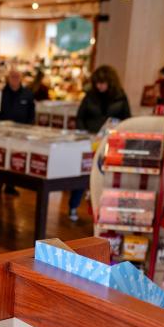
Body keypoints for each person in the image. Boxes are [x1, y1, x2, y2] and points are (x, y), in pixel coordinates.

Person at [70, 65, 131, 221]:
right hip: (90, 141)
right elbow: (80, 117)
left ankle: (105, 211)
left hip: (112, 143)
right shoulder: (90, 96)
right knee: (83, 175)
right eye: (97, 83)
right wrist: (84, 134)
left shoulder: (120, 97)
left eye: (102, 83)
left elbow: (127, 120)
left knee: (107, 178)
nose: (99, 86)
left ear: (110, 82)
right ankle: (73, 207)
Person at [0, 69, 36, 195]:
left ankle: (10, 186)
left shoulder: (27, 94)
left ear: (21, 78)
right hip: (4, 132)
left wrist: (28, 128)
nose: (15, 79)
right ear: (8, 78)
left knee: (16, 158)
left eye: (17, 77)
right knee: (2, 158)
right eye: (12, 77)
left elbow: (31, 113)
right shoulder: (1, 93)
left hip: (21, 132)